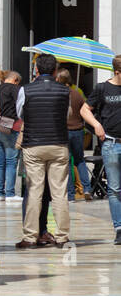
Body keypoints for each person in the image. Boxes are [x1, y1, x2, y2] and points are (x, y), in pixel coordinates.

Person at [17, 54, 71, 249]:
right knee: (59, 192)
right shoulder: (64, 91)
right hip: (58, 145)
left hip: (34, 145)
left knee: (34, 192)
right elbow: (67, 115)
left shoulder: (26, 90)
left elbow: (20, 113)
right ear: (55, 71)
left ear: (36, 70)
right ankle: (62, 236)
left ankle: (30, 236)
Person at [81, 55, 121, 245]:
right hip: (111, 143)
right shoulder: (102, 88)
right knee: (114, 188)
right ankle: (119, 228)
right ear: (117, 72)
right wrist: (96, 125)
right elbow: (84, 109)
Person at [0, 69, 23, 203]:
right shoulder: (16, 90)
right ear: (15, 80)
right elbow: (21, 108)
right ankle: (10, 194)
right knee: (11, 162)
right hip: (8, 127)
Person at [57, 68, 91, 202]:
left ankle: (70, 195)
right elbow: (85, 110)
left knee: (66, 162)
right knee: (80, 160)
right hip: (78, 131)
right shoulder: (77, 94)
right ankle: (87, 189)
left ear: (59, 79)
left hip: (64, 131)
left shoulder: (59, 94)